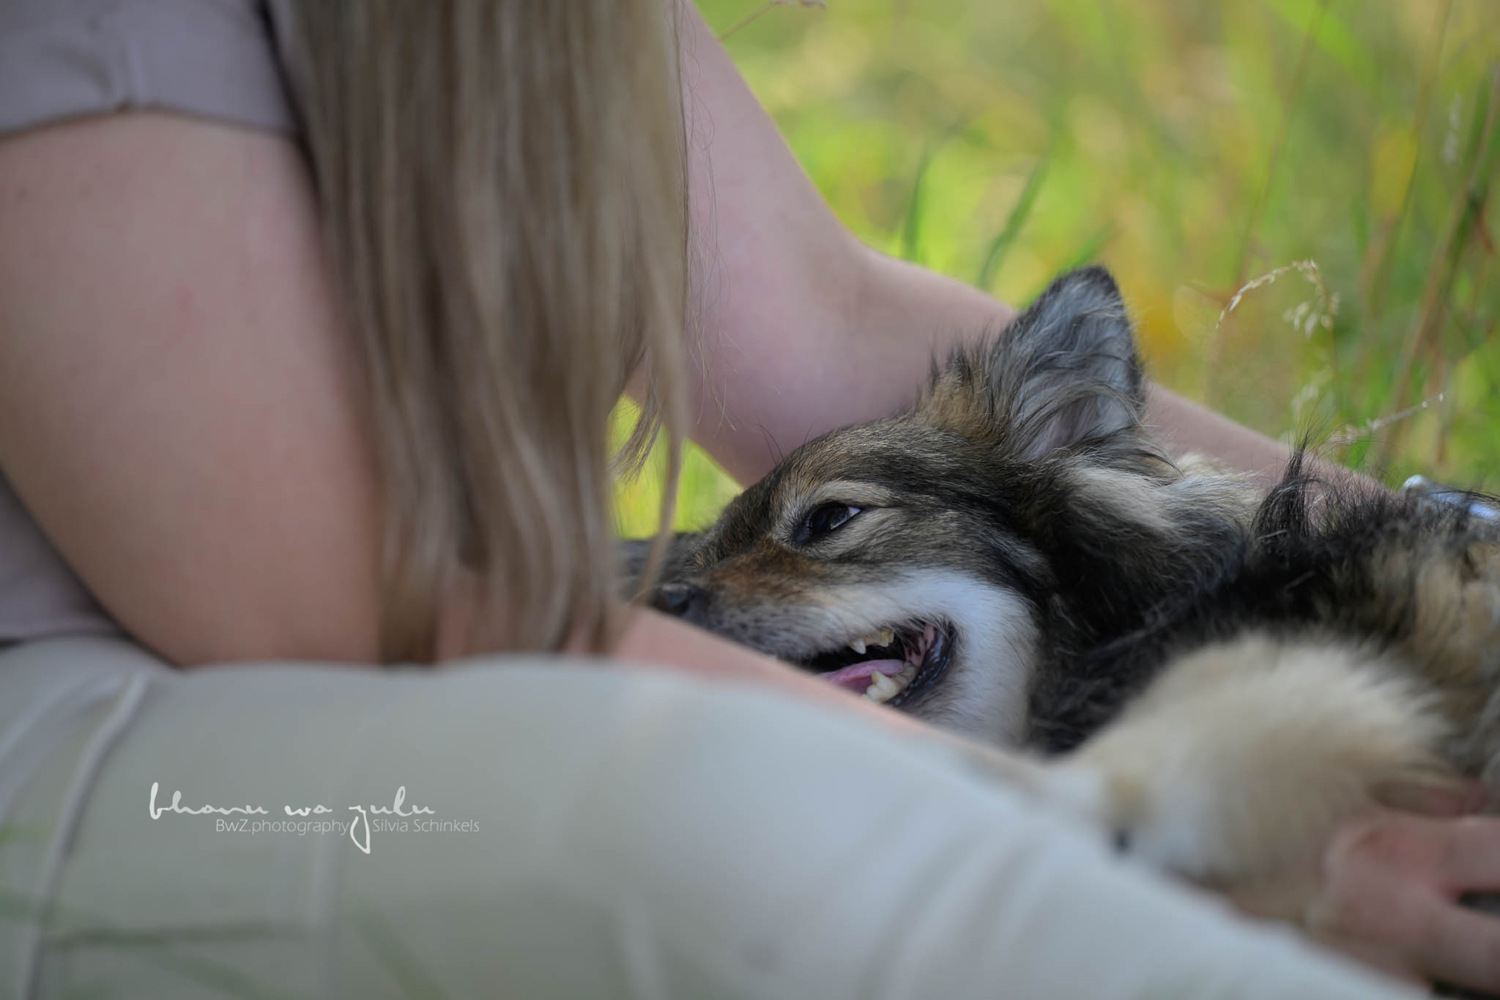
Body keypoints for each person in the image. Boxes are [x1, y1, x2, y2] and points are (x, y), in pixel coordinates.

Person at [0, 1, 1494, 996]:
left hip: (435, 637)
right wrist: (1178, 844)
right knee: (749, 823)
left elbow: (818, 330)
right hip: (112, 709)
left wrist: (1459, 556)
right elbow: (313, 601)